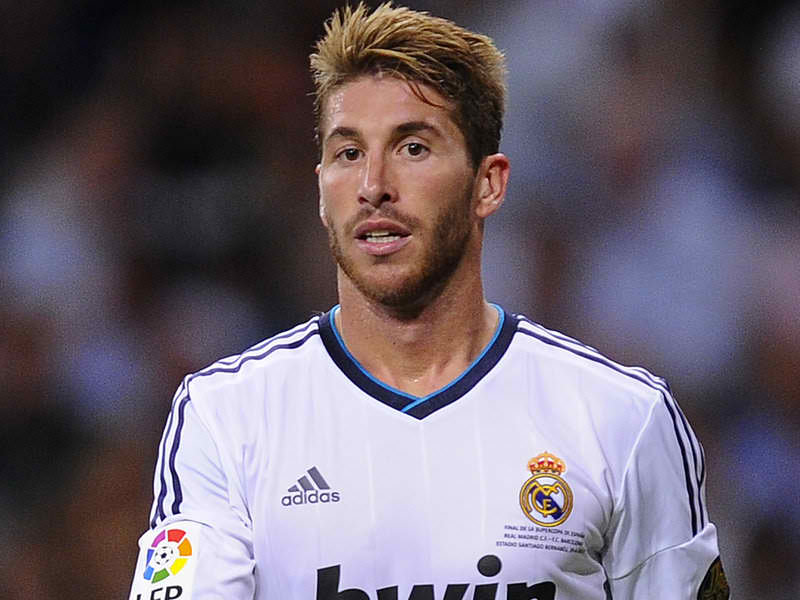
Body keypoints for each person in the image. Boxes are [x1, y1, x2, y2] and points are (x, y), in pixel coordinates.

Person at [129, 3, 729, 599]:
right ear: (321, 191)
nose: (373, 187)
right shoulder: (228, 418)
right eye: (348, 153)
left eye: (412, 148)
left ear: (487, 184)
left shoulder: (624, 420)